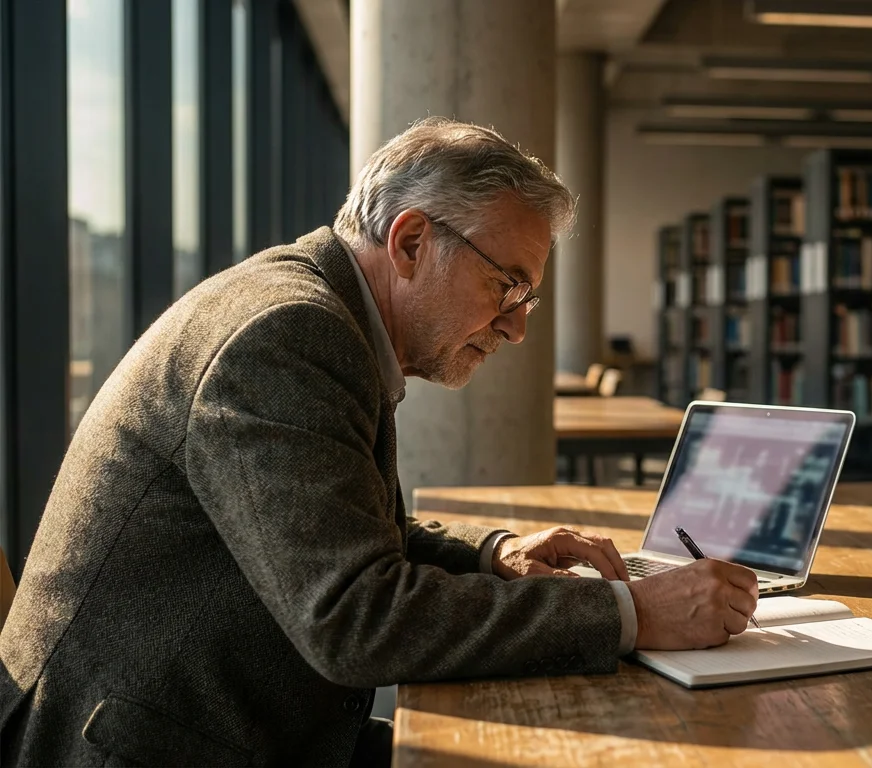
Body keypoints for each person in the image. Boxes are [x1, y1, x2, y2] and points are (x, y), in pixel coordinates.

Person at [0, 118, 759, 767]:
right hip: (142, 747)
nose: (518, 325)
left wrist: (492, 552)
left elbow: (342, 538)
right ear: (412, 240)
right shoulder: (285, 335)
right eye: (508, 286)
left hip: (217, 724)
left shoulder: (317, 310)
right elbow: (356, 617)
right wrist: (632, 616)